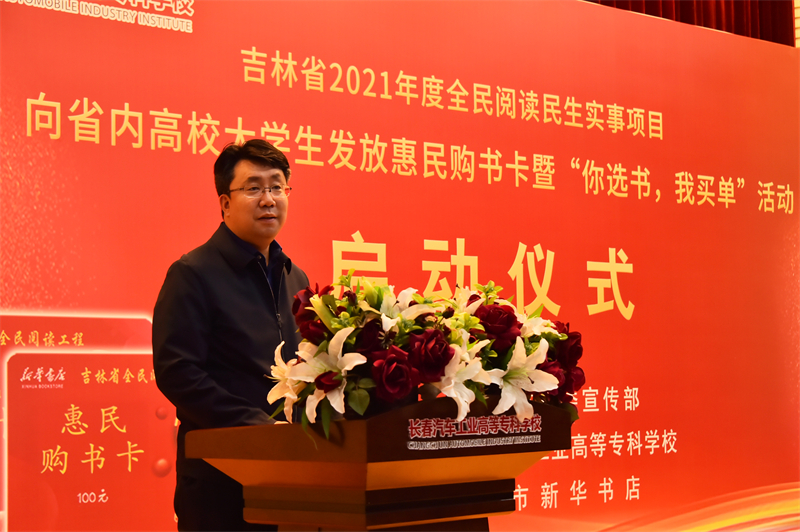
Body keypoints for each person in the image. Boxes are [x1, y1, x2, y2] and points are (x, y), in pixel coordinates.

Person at [152, 139, 307, 531]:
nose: (268, 199)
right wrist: (257, 426)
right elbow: (178, 372)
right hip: (220, 482)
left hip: (293, 480)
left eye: (277, 187)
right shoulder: (193, 274)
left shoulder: (296, 278)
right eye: (254, 188)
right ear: (224, 203)